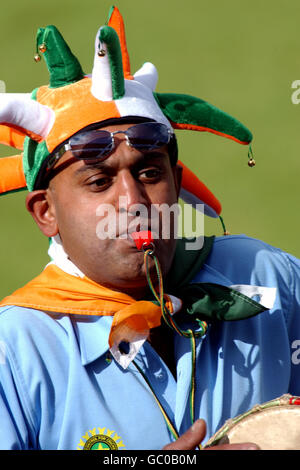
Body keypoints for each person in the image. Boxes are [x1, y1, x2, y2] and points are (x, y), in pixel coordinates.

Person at [0, 6, 299, 451]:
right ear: (46, 212)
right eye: (99, 181)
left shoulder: (268, 277)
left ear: (177, 183)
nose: (134, 203)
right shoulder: (16, 355)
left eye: (149, 174)